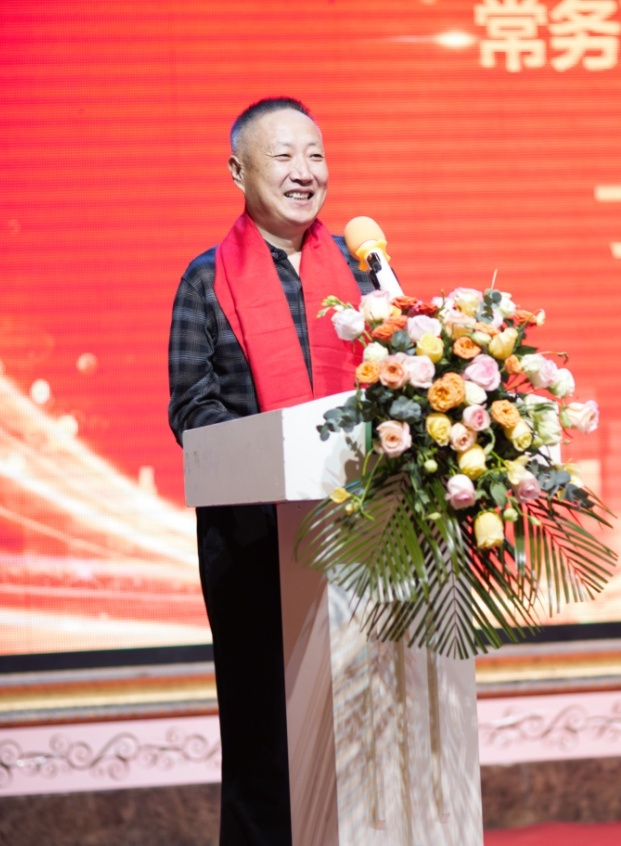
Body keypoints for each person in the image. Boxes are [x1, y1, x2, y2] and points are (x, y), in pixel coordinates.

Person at [167, 97, 377, 845]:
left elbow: (398, 384)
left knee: (362, 724)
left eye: (315, 155)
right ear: (239, 171)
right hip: (253, 543)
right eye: (283, 156)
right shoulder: (207, 281)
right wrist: (281, 455)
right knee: (266, 738)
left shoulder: (362, 271)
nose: (304, 172)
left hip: (364, 537)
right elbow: (193, 410)